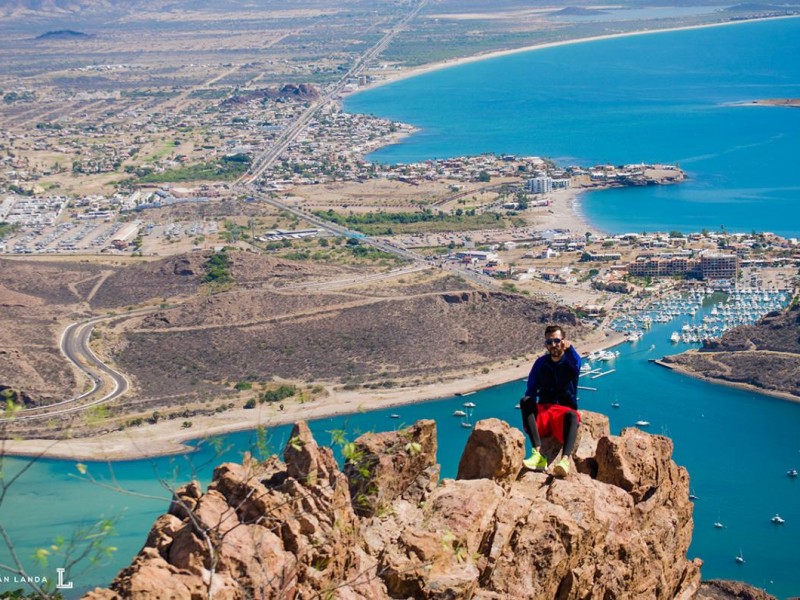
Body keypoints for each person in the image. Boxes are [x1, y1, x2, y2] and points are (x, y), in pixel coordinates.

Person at [520, 324, 581, 477]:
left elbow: (577, 364)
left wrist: (571, 349)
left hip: (563, 412)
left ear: (563, 342)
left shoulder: (570, 362)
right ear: (545, 344)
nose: (553, 345)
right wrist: (531, 411)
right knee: (525, 400)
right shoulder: (541, 363)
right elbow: (531, 388)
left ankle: (565, 461)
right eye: (549, 342)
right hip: (544, 411)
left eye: (556, 341)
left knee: (572, 416)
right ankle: (538, 454)